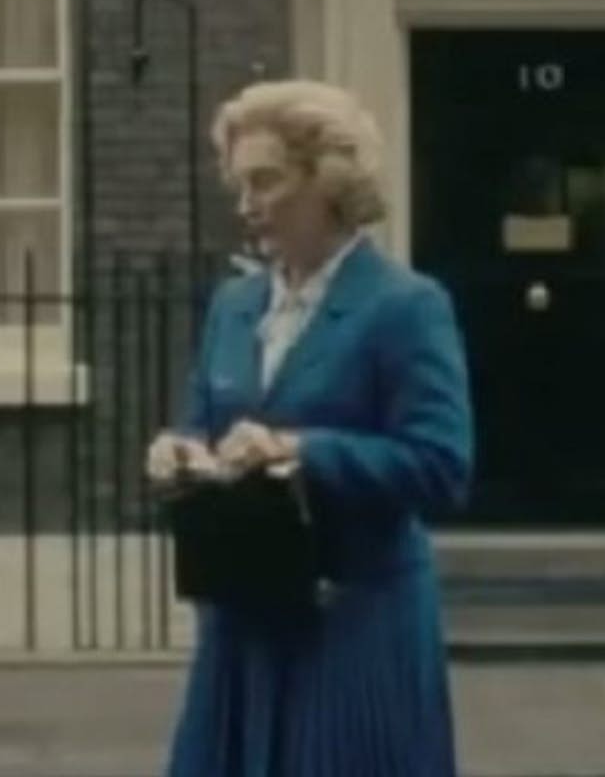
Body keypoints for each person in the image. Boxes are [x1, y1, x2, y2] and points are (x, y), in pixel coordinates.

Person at [147, 80, 473, 776]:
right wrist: (181, 453)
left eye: (265, 181)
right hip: (241, 622)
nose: (246, 205)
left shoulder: (405, 305)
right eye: (239, 185)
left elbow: (442, 465)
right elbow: (203, 423)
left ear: (329, 181)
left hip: (355, 622)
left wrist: (299, 450)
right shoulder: (235, 305)